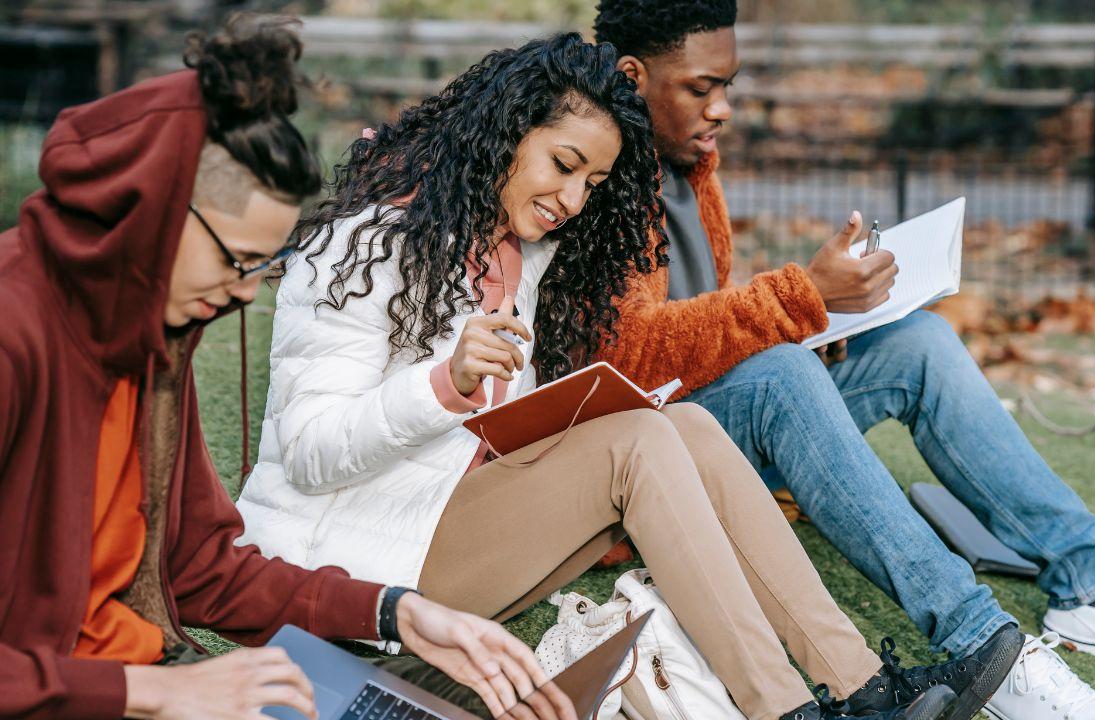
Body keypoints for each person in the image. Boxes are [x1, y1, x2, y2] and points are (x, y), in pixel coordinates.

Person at [235, 32, 968, 720]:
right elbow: (308, 451)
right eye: (563, 164)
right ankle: (784, 709)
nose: (575, 200)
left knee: (685, 424)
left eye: (594, 181)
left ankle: (860, 687)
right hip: (348, 574)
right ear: (504, 133)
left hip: (440, 522)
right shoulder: (365, 246)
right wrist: (444, 383)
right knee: (639, 444)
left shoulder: (522, 254)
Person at [590, 2, 1095, 719]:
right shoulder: (594, 174)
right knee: (784, 379)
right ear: (632, 76)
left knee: (918, 342)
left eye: (729, 85)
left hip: (714, 419)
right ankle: (981, 641)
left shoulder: (690, 163)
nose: (723, 108)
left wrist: (812, 325)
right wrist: (799, 300)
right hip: (646, 467)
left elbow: (699, 318)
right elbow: (626, 357)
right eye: (701, 88)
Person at [0, 16, 555, 719]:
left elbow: (200, 568)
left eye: (258, 268)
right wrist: (152, 691)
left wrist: (395, 613)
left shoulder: (150, 336)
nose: (240, 292)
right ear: (151, 212)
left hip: (136, 673)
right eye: (234, 261)